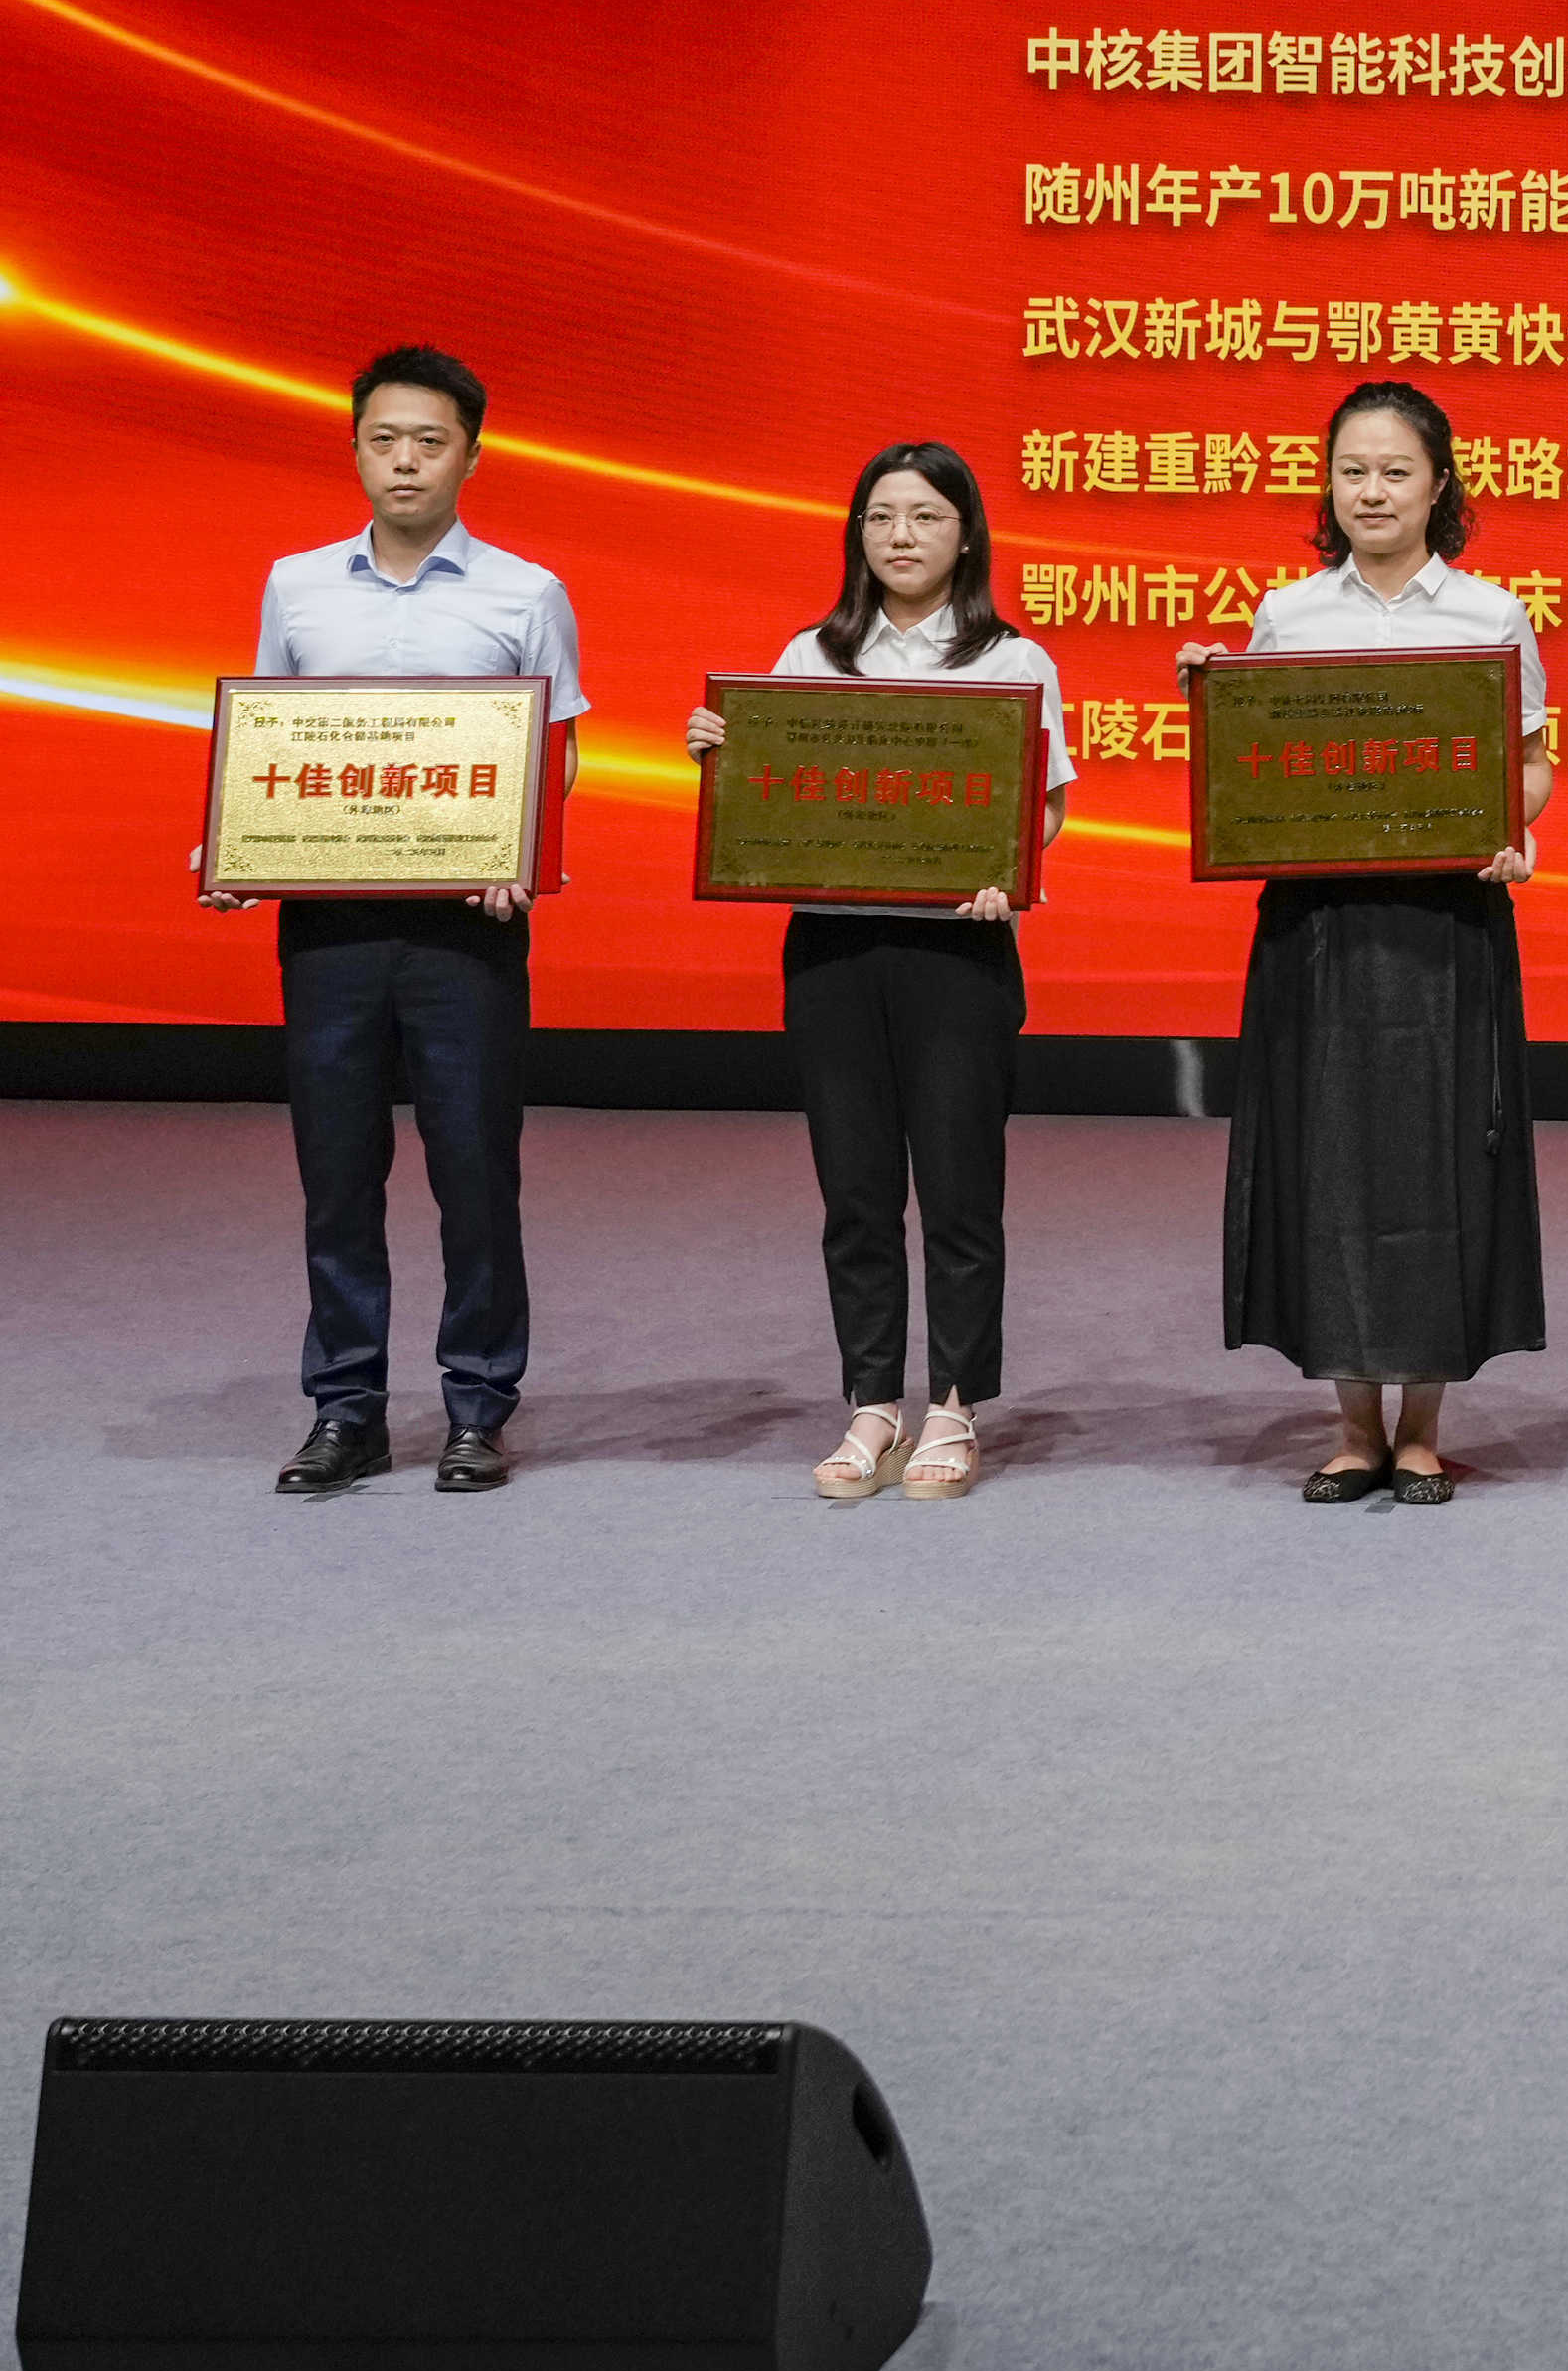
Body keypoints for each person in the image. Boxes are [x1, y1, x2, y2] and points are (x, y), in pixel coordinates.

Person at [216, 348, 588, 1497]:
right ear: (355, 449)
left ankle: (478, 1404)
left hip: (465, 934)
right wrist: (236, 848)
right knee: (336, 1174)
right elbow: (270, 744)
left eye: (430, 440)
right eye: (384, 439)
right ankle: (346, 1408)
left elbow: (558, 754)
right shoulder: (297, 586)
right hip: (329, 931)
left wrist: (519, 856)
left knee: (473, 1171)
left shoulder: (526, 591)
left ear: (473, 455)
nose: (406, 461)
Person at [684, 445, 1072, 1503]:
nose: (901, 536)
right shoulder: (810, 654)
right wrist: (724, 754)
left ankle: (954, 1403)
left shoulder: (1013, 659)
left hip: (959, 953)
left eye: (926, 516)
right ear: (857, 534)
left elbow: (1042, 809)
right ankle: (870, 1401)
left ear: (966, 534)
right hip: (833, 951)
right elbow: (771, 792)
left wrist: (1004, 872)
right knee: (853, 1191)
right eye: (881, 516)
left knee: (958, 1191)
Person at [1191, 379, 1554, 1506]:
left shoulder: (1490, 615)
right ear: (1329, 485)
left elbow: (1530, 764)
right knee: (1330, 1161)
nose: (1374, 490)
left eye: (1397, 470)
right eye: (1353, 470)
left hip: (1447, 925)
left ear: (1439, 484)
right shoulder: (1288, 615)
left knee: (1442, 1161)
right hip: (1321, 927)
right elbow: (1256, 766)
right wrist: (1217, 706)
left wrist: (1510, 831)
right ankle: (1353, 1429)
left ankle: (1423, 1428)